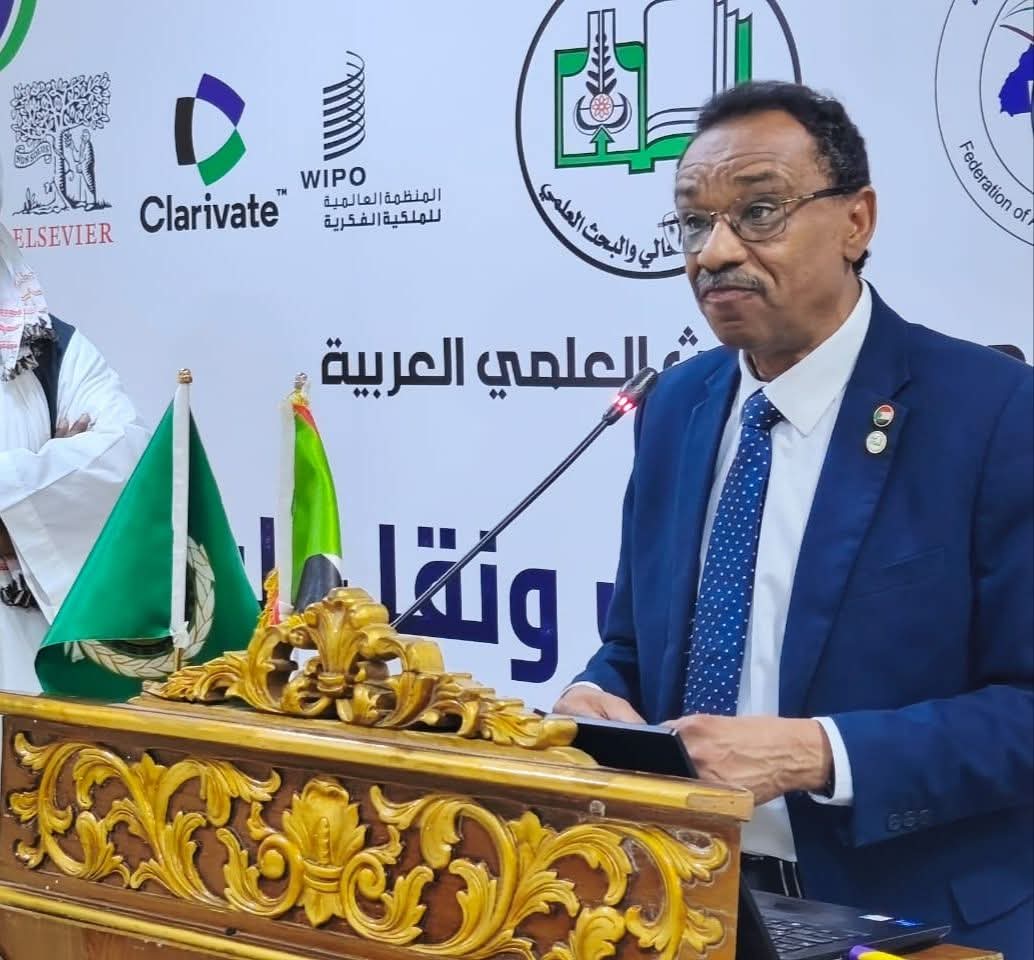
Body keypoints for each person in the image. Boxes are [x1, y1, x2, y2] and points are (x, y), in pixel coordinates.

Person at [553, 81, 1032, 956]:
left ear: (856, 220)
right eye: (693, 223)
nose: (714, 252)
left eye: (759, 212)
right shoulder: (675, 406)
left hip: (917, 922)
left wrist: (820, 753)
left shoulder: (996, 413)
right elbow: (634, 644)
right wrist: (597, 701)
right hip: (682, 898)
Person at [0, 167, 147, 693]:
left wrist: (13, 506)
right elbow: (81, 472)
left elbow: (126, 453)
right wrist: (47, 481)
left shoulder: (51, 349)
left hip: (28, 649)